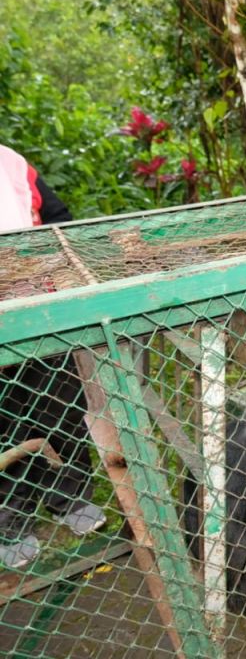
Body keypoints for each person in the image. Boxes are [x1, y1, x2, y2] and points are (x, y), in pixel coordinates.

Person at [0, 143, 106, 568]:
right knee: (5, 425)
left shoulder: (10, 163)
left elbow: (61, 221)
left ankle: (72, 498)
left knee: (59, 405)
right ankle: (12, 522)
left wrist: (50, 269)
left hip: (39, 314)